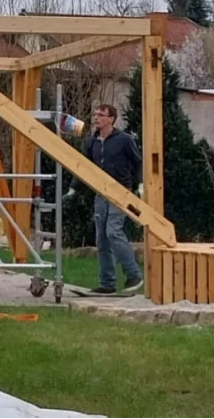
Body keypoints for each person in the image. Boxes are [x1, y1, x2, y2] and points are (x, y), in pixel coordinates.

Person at [85, 104, 144, 294]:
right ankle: (107, 283)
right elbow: (84, 165)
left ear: (111, 119)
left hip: (121, 191)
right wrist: (72, 189)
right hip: (100, 193)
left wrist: (140, 185)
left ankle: (133, 274)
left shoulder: (124, 140)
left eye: (101, 115)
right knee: (101, 238)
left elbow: (137, 163)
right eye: (95, 114)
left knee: (113, 231)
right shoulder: (91, 142)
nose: (96, 118)